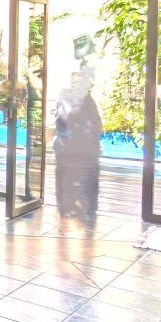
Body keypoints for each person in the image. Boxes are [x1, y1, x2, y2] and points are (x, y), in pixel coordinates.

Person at [54, 65, 102, 224]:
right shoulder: (69, 98)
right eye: (75, 82)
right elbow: (63, 122)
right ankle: (72, 208)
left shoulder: (85, 100)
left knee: (79, 178)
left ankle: (80, 209)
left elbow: (95, 124)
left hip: (77, 148)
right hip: (71, 148)